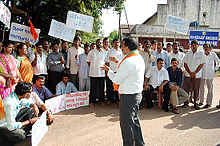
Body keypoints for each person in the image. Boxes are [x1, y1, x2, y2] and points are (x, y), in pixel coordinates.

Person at [101, 37, 145, 146]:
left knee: (127, 125)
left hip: (128, 97)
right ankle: (140, 143)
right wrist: (118, 62)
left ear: (127, 48)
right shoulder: (138, 57)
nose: (120, 48)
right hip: (136, 94)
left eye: (122, 46)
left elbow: (116, 79)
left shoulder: (128, 61)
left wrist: (109, 71)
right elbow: (129, 68)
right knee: (134, 122)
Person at [182, 40, 205, 110]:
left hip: (197, 75)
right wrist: (190, 73)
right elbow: (185, 64)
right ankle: (186, 102)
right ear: (190, 46)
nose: (194, 47)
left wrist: (195, 72)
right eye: (192, 45)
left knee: (196, 89)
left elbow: (201, 64)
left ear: (198, 46)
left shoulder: (201, 54)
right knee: (186, 89)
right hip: (188, 75)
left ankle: (196, 103)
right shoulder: (188, 54)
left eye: (195, 45)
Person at [87, 39, 107, 107]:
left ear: (102, 44)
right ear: (96, 43)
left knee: (102, 88)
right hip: (93, 73)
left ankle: (102, 101)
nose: (99, 44)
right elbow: (88, 62)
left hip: (102, 73)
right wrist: (94, 66)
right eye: (98, 43)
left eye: (100, 43)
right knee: (93, 88)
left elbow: (105, 62)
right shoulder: (91, 52)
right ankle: (92, 101)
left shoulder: (104, 52)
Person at [199, 43, 219, 108]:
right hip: (202, 74)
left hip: (210, 74)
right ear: (203, 48)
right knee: (201, 88)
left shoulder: (213, 55)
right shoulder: (201, 55)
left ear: (209, 48)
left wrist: (215, 69)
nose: (206, 49)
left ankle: (208, 103)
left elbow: (218, 61)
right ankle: (201, 101)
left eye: (207, 47)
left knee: (210, 88)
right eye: (204, 47)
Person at [106, 38, 123, 104]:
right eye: (115, 42)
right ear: (113, 43)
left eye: (118, 42)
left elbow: (122, 62)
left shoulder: (121, 51)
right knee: (110, 86)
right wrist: (107, 72)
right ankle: (110, 99)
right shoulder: (110, 51)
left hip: (118, 71)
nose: (116, 44)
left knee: (117, 86)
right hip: (111, 71)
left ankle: (117, 100)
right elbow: (107, 62)